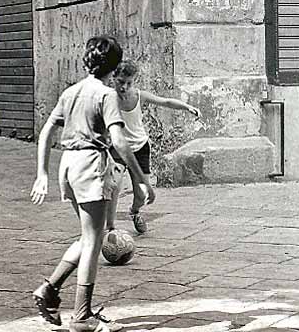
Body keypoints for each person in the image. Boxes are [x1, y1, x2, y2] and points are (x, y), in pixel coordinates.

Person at [29, 35, 155, 332]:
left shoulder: (71, 91)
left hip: (68, 166)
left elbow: (47, 131)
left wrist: (42, 173)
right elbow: (121, 143)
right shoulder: (106, 94)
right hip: (90, 166)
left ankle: (49, 290)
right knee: (93, 242)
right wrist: (141, 179)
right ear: (114, 66)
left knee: (89, 237)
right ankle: (82, 316)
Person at [105, 59, 201, 234]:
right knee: (114, 185)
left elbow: (165, 102)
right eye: (120, 82)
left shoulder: (139, 96)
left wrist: (186, 107)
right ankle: (110, 227)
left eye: (128, 83)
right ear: (113, 78)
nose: (124, 87)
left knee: (142, 194)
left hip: (140, 148)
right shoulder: (108, 99)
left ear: (134, 81)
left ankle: (134, 211)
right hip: (118, 148)